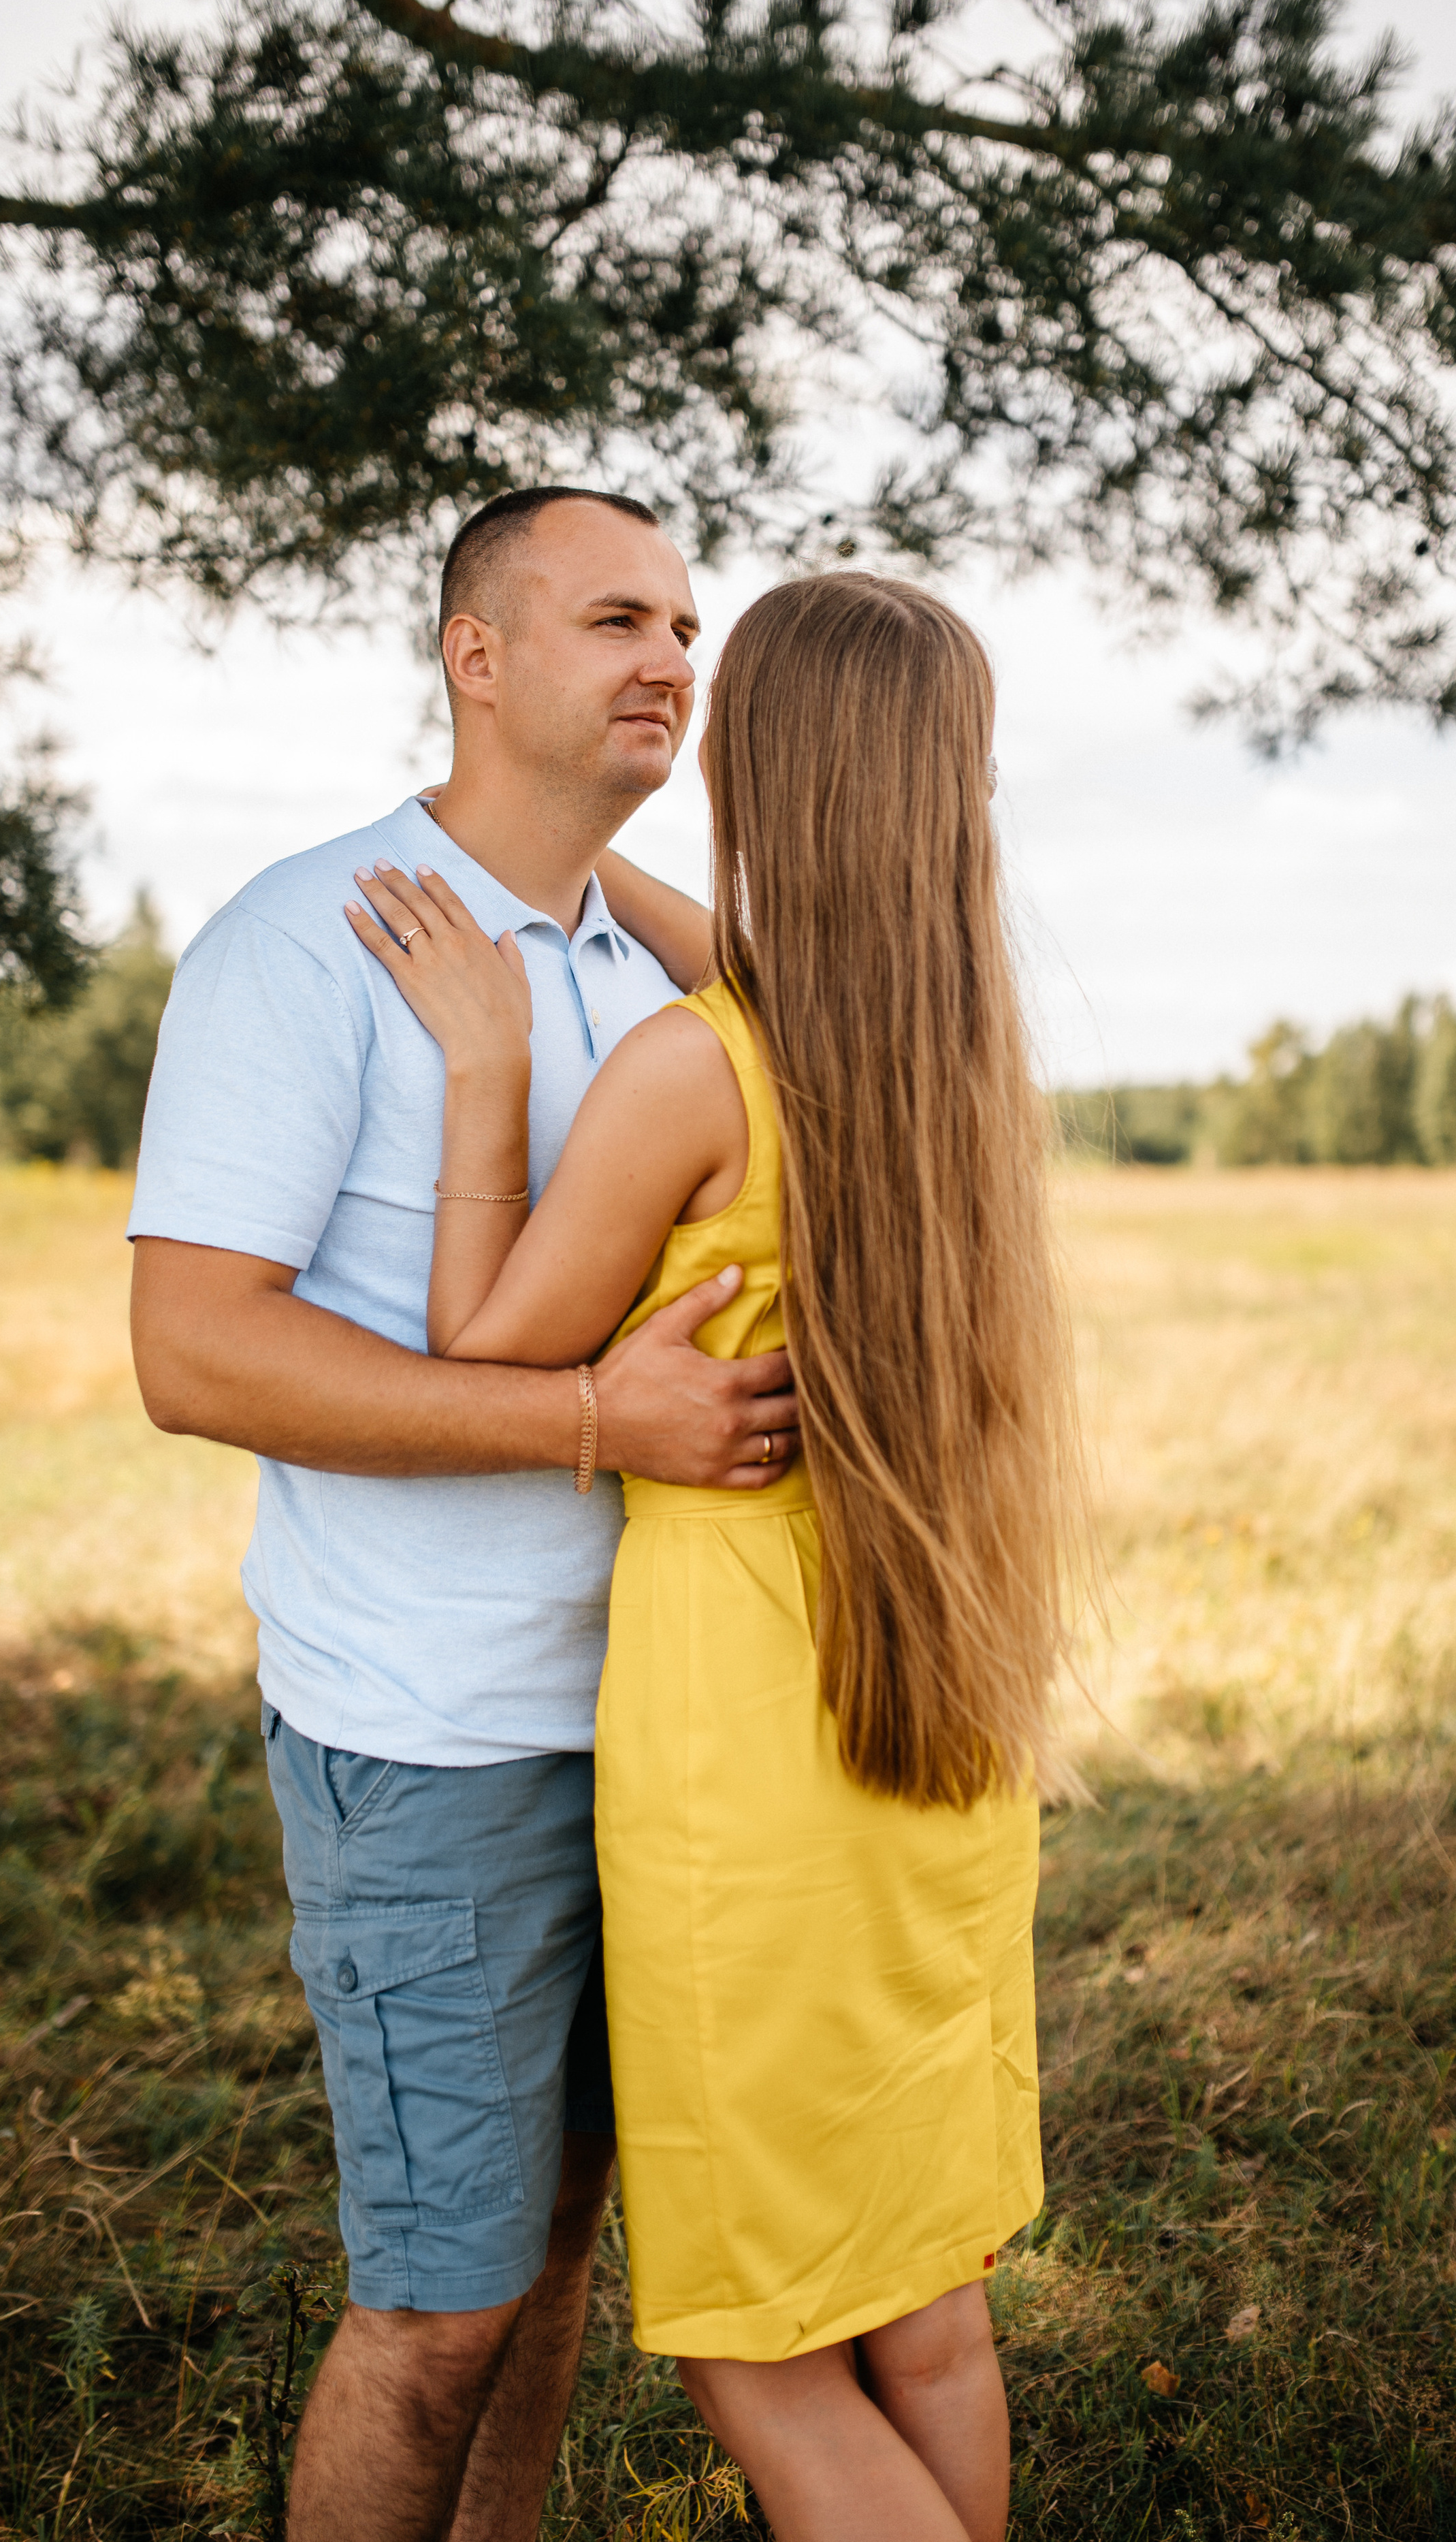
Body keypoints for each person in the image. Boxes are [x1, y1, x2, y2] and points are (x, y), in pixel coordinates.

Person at [348, 569, 1087, 2542]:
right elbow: (788, 954)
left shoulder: (695, 1075)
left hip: (754, 1772)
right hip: (929, 1747)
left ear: (756, 769)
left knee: (757, 2352)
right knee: (927, 2311)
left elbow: (489, 1341)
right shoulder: (945, 1072)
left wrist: (495, 1062)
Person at [127, 488, 802, 2542]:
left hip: (661, 1729)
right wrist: (595, 1415)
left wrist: (658, 909)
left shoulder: (645, 959)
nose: (670, 660)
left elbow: (824, 977)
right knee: (435, 2308)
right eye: (614, 619)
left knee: (558, 2270)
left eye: (687, 625)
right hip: (430, 1733)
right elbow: (197, 1358)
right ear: (472, 654)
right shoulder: (307, 938)